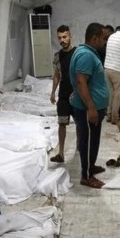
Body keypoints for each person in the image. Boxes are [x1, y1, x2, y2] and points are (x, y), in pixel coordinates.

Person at [69, 22, 110, 188]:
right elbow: (81, 82)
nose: (104, 41)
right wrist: (91, 107)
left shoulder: (88, 52)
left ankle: (91, 166)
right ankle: (86, 176)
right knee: (86, 141)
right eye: (103, 38)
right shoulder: (86, 55)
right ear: (94, 38)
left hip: (93, 107)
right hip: (87, 109)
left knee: (93, 139)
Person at [49, 25, 76, 163]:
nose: (62, 40)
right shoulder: (58, 56)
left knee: (80, 123)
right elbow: (57, 75)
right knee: (62, 123)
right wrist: (53, 92)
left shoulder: (78, 53)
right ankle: (61, 153)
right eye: (59, 38)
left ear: (70, 36)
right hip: (64, 94)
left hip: (77, 95)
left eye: (64, 37)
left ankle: (80, 149)